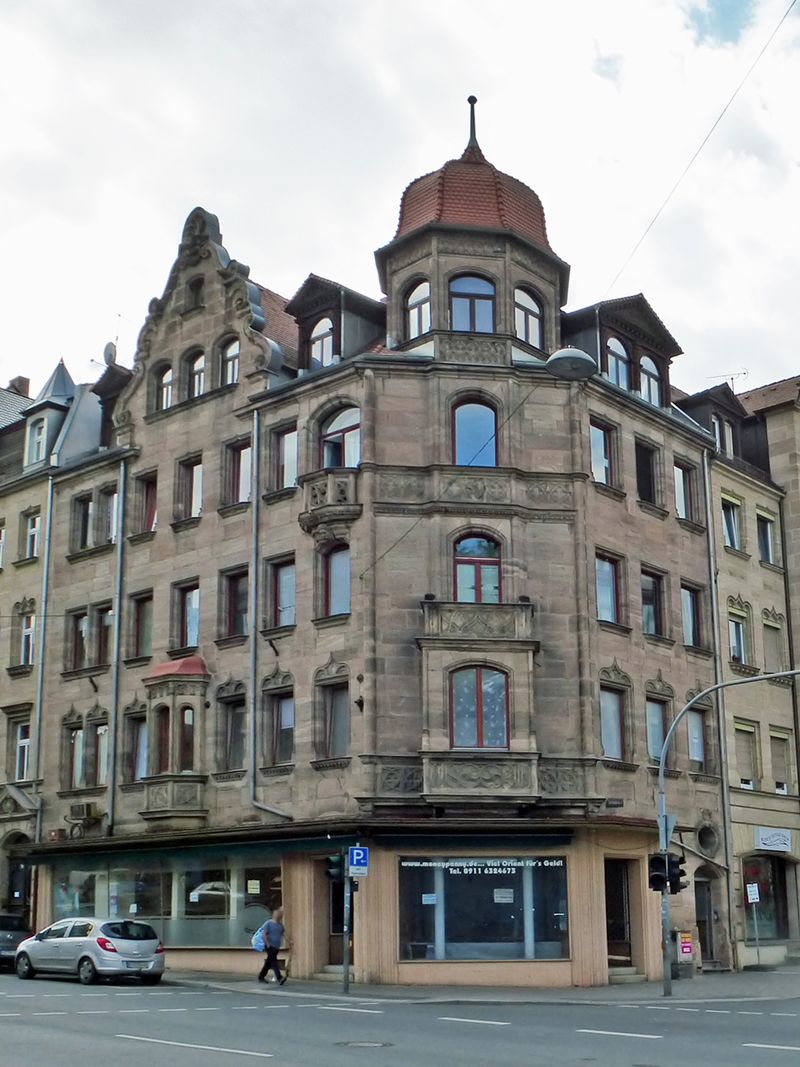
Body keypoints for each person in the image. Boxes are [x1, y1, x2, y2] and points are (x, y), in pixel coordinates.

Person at [257, 906, 291, 985]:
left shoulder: (280, 925)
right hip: (270, 945)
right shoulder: (268, 923)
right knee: (274, 961)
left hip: (276, 947)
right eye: (279, 913)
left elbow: (284, 934)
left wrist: (289, 941)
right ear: (274, 914)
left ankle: (261, 977)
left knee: (269, 962)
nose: (280, 915)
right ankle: (279, 977)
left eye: (281, 914)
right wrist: (267, 944)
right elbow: (264, 934)